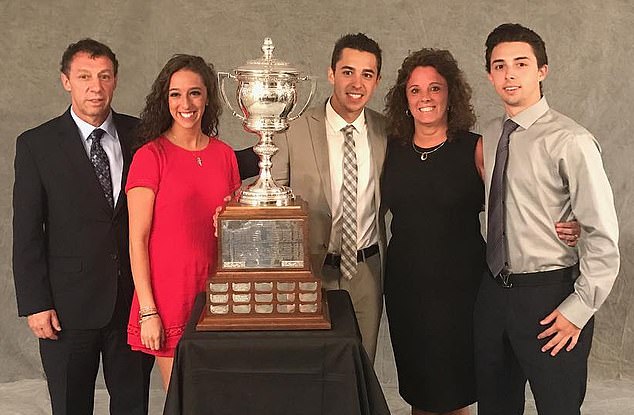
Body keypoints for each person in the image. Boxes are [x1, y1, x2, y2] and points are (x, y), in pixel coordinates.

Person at [382, 48, 583, 415]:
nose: (425, 98)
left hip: (462, 291)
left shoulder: (477, 148)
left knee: (455, 390)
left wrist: (573, 221)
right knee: (419, 388)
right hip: (406, 289)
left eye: (435, 88)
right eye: (415, 90)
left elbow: (519, 200)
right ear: (404, 99)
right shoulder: (391, 150)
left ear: (451, 94)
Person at [475, 23, 620, 415]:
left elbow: (602, 234)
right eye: (499, 65)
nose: (509, 74)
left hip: (550, 297)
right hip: (494, 294)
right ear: (489, 75)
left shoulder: (571, 141)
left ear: (542, 70)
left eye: (521, 64)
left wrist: (579, 309)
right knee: (495, 406)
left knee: (558, 407)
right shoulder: (489, 136)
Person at [12, 38, 154, 415]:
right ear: (66, 81)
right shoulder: (36, 145)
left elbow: (194, 159)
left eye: (104, 76)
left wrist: (264, 151)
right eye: (85, 76)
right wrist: (36, 303)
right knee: (71, 405)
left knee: (133, 403)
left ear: (116, 81)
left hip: (132, 301)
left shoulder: (142, 135)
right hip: (67, 308)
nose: (96, 86)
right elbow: (26, 231)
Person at [126, 54, 241, 389]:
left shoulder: (224, 155)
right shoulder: (151, 156)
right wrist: (149, 311)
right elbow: (137, 240)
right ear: (165, 99)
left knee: (220, 398)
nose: (185, 103)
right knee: (184, 401)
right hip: (169, 299)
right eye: (175, 93)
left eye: (194, 92)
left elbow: (232, 233)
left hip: (217, 297)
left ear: (207, 98)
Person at [271, 33, 386, 362]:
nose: (357, 83)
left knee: (362, 368)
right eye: (348, 71)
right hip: (312, 270)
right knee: (314, 369)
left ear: (376, 80)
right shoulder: (293, 129)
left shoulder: (385, 131)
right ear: (331, 73)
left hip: (367, 272)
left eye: (367, 74)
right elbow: (274, 200)